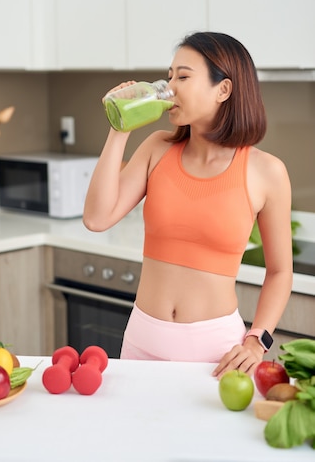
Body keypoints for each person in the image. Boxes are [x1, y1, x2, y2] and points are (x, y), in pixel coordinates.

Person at [83, 31, 293, 378]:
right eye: (169, 76)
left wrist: (257, 339)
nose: (170, 87)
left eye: (183, 76)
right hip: (141, 342)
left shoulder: (266, 172)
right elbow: (96, 217)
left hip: (215, 354)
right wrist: (119, 129)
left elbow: (280, 271)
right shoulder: (156, 148)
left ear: (223, 90)